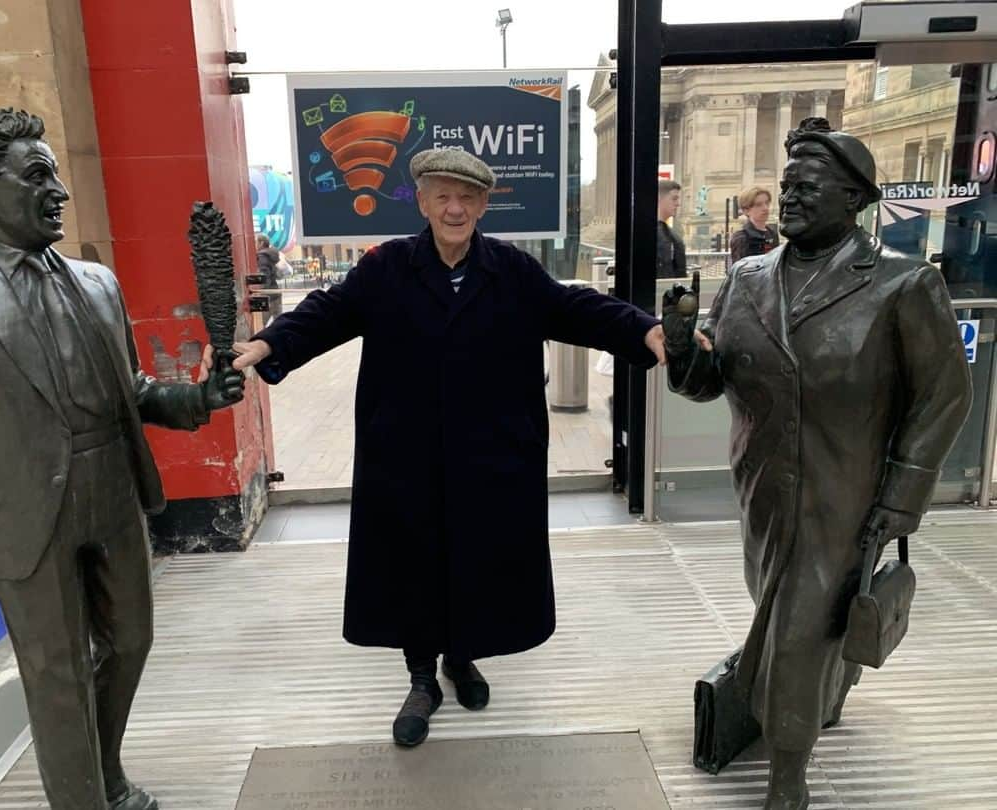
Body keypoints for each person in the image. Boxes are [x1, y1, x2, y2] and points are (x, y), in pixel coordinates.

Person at [231, 148, 667, 747]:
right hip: (405, 455)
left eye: (467, 198)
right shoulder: (385, 268)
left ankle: (462, 659)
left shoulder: (511, 271)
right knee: (413, 563)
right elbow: (327, 312)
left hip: (490, 456)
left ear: (484, 204)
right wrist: (267, 344)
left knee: (478, 559)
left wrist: (644, 328)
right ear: (422, 201)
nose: (454, 208)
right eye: (442, 196)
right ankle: (421, 680)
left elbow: (577, 309)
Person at [0, 109, 244, 810]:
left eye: (57, 173)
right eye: (37, 176)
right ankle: (83, 801)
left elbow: (135, 391)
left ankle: (105, 774)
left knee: (129, 644)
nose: (59, 189)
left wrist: (199, 397)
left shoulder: (97, 283)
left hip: (112, 492)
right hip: (21, 513)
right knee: (56, 676)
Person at [662, 117, 972, 810]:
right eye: (787, 185)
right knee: (789, 615)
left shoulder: (902, 284)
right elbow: (713, 382)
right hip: (764, 487)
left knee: (799, 628)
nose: (791, 197)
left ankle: (788, 778)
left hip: (848, 490)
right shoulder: (745, 276)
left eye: (809, 187)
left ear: (854, 199)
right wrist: (683, 348)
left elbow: (945, 394)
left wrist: (904, 494)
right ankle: (826, 692)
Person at [729, 185, 780, 263]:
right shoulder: (741, 238)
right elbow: (740, 270)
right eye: (758, 205)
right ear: (746, 210)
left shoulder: (772, 234)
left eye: (767, 203)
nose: (765, 208)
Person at [656, 179, 687, 279]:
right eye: (674, 199)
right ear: (659, 198)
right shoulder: (663, 234)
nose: (678, 204)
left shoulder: (672, 235)